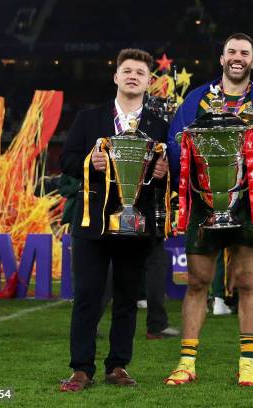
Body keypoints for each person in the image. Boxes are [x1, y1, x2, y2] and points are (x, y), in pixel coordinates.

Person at [164, 33, 253, 386]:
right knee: (199, 281)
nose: (237, 57)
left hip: (248, 204)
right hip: (204, 203)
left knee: (247, 281)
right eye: (231, 51)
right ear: (221, 58)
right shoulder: (198, 100)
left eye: (244, 52)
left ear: (252, 61)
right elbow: (175, 142)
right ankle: (187, 362)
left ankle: (247, 362)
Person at [59, 48, 169, 391]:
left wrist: (165, 171)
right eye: (127, 70)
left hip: (136, 224)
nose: (133, 76)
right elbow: (66, 160)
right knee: (88, 297)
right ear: (116, 77)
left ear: (150, 81)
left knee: (126, 298)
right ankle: (81, 368)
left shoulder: (159, 126)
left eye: (140, 72)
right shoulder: (89, 118)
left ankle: (118, 366)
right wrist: (89, 163)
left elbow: (168, 173)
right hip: (92, 223)